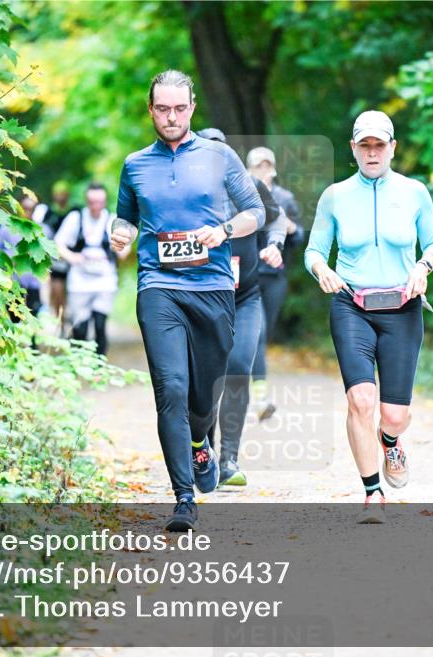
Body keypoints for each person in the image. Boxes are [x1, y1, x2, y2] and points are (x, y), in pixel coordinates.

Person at [110, 70, 265, 531]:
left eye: (179, 108)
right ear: (150, 109)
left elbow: (255, 212)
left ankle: (201, 440)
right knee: (171, 389)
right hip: (158, 286)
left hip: (213, 288)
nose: (171, 117)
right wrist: (121, 235)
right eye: (163, 109)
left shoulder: (219, 156)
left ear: (192, 107)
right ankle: (182, 498)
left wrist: (222, 230)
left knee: (204, 396)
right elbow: (125, 220)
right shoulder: (135, 164)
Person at [304, 110, 433, 524]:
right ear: (353, 148)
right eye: (364, 145)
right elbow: (313, 251)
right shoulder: (334, 196)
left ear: (392, 148)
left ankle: (391, 441)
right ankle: (372, 492)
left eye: (379, 145)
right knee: (359, 399)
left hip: (402, 307)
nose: (372, 152)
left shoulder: (415, 192)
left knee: (394, 414)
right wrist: (322, 270)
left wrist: (422, 268)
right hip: (352, 305)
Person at [195, 129, 285, 488]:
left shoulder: (249, 187)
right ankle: (204, 453)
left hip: (246, 296)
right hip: (201, 296)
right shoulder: (186, 193)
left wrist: (274, 243)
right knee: (203, 378)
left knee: (237, 367)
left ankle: (229, 457)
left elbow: (274, 216)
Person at [247, 146, 305, 421]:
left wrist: (287, 226)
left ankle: (249, 377)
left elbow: (299, 237)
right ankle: (260, 398)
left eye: (266, 166)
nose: (263, 170)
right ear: (248, 170)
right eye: (257, 166)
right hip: (247, 276)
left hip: (276, 278)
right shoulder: (242, 197)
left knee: (263, 333)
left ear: (274, 169)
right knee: (256, 332)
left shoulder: (285, 198)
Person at [53, 182, 130, 355]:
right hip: (80, 280)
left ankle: (99, 364)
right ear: (87, 201)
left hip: (105, 280)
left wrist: (118, 247)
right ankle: (81, 363)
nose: (96, 206)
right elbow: (58, 243)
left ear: (104, 201)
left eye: (99, 202)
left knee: (100, 324)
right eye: (92, 202)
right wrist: (72, 257)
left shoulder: (112, 221)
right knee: (80, 326)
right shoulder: (76, 218)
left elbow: (125, 252)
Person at [43, 180, 75, 321]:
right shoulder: (49, 213)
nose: (61, 197)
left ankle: (69, 317)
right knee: (57, 290)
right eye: (58, 194)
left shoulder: (74, 212)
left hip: (72, 256)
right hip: (55, 257)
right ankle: (59, 319)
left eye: (63, 194)